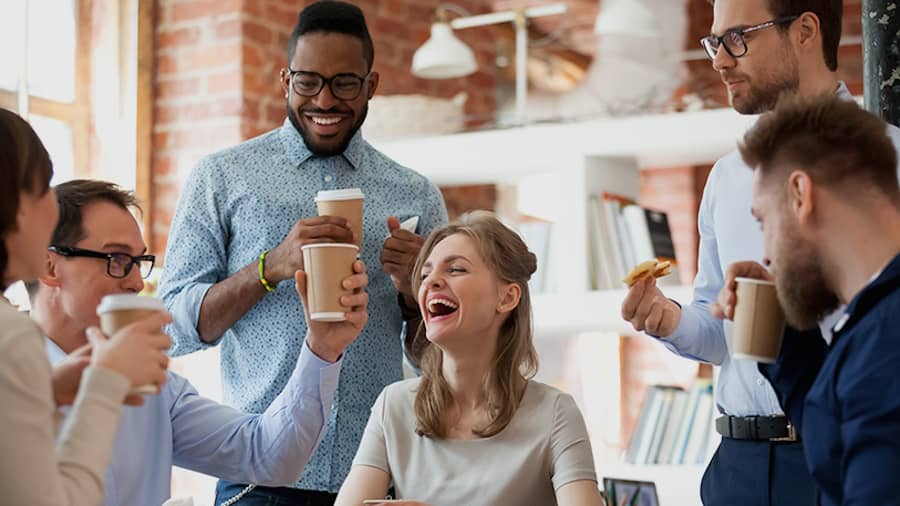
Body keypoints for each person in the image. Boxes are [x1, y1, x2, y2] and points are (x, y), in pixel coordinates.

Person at [158, 1, 448, 503]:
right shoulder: (222, 178)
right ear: (284, 79)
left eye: (344, 83)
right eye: (308, 81)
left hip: (375, 475)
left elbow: (440, 360)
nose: (325, 100)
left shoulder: (415, 194)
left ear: (371, 86)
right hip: (258, 478)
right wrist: (270, 267)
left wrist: (411, 294)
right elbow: (171, 327)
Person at [620, 0, 900, 503]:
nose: (719, 60)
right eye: (713, 42)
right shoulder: (727, 177)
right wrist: (670, 320)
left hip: (845, 446)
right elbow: (725, 336)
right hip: (738, 462)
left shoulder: (893, 159)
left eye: (738, 37)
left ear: (806, 31)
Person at [29, 179, 369, 506]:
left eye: (139, 263)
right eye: (116, 260)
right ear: (49, 265)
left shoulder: (157, 389)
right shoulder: (15, 384)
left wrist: (323, 347)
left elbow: (269, 456)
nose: (135, 282)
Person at [335, 211, 603, 506]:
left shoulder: (555, 414)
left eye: (456, 270)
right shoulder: (393, 406)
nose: (431, 282)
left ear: (508, 297)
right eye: (424, 275)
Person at [711, 95, 900, 505]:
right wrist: (776, 324)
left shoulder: (885, 344)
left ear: (800, 194)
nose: (765, 253)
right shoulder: (868, 329)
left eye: (764, 222)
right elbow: (830, 442)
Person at [0, 109, 170, 504]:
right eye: (41, 188)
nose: (52, 209)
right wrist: (105, 383)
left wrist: (47, 393)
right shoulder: (12, 337)